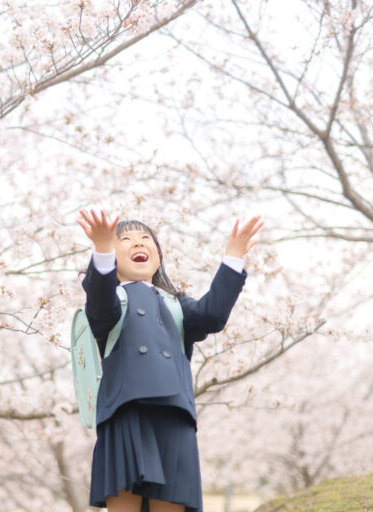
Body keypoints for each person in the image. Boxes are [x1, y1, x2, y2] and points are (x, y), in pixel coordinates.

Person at [77, 210, 263, 512]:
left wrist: (233, 258)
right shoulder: (111, 301)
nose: (138, 243)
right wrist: (101, 251)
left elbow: (212, 316)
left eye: (145, 238)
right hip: (125, 412)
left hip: (175, 414)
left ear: (158, 256)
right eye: (125, 239)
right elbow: (98, 305)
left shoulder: (177, 303)